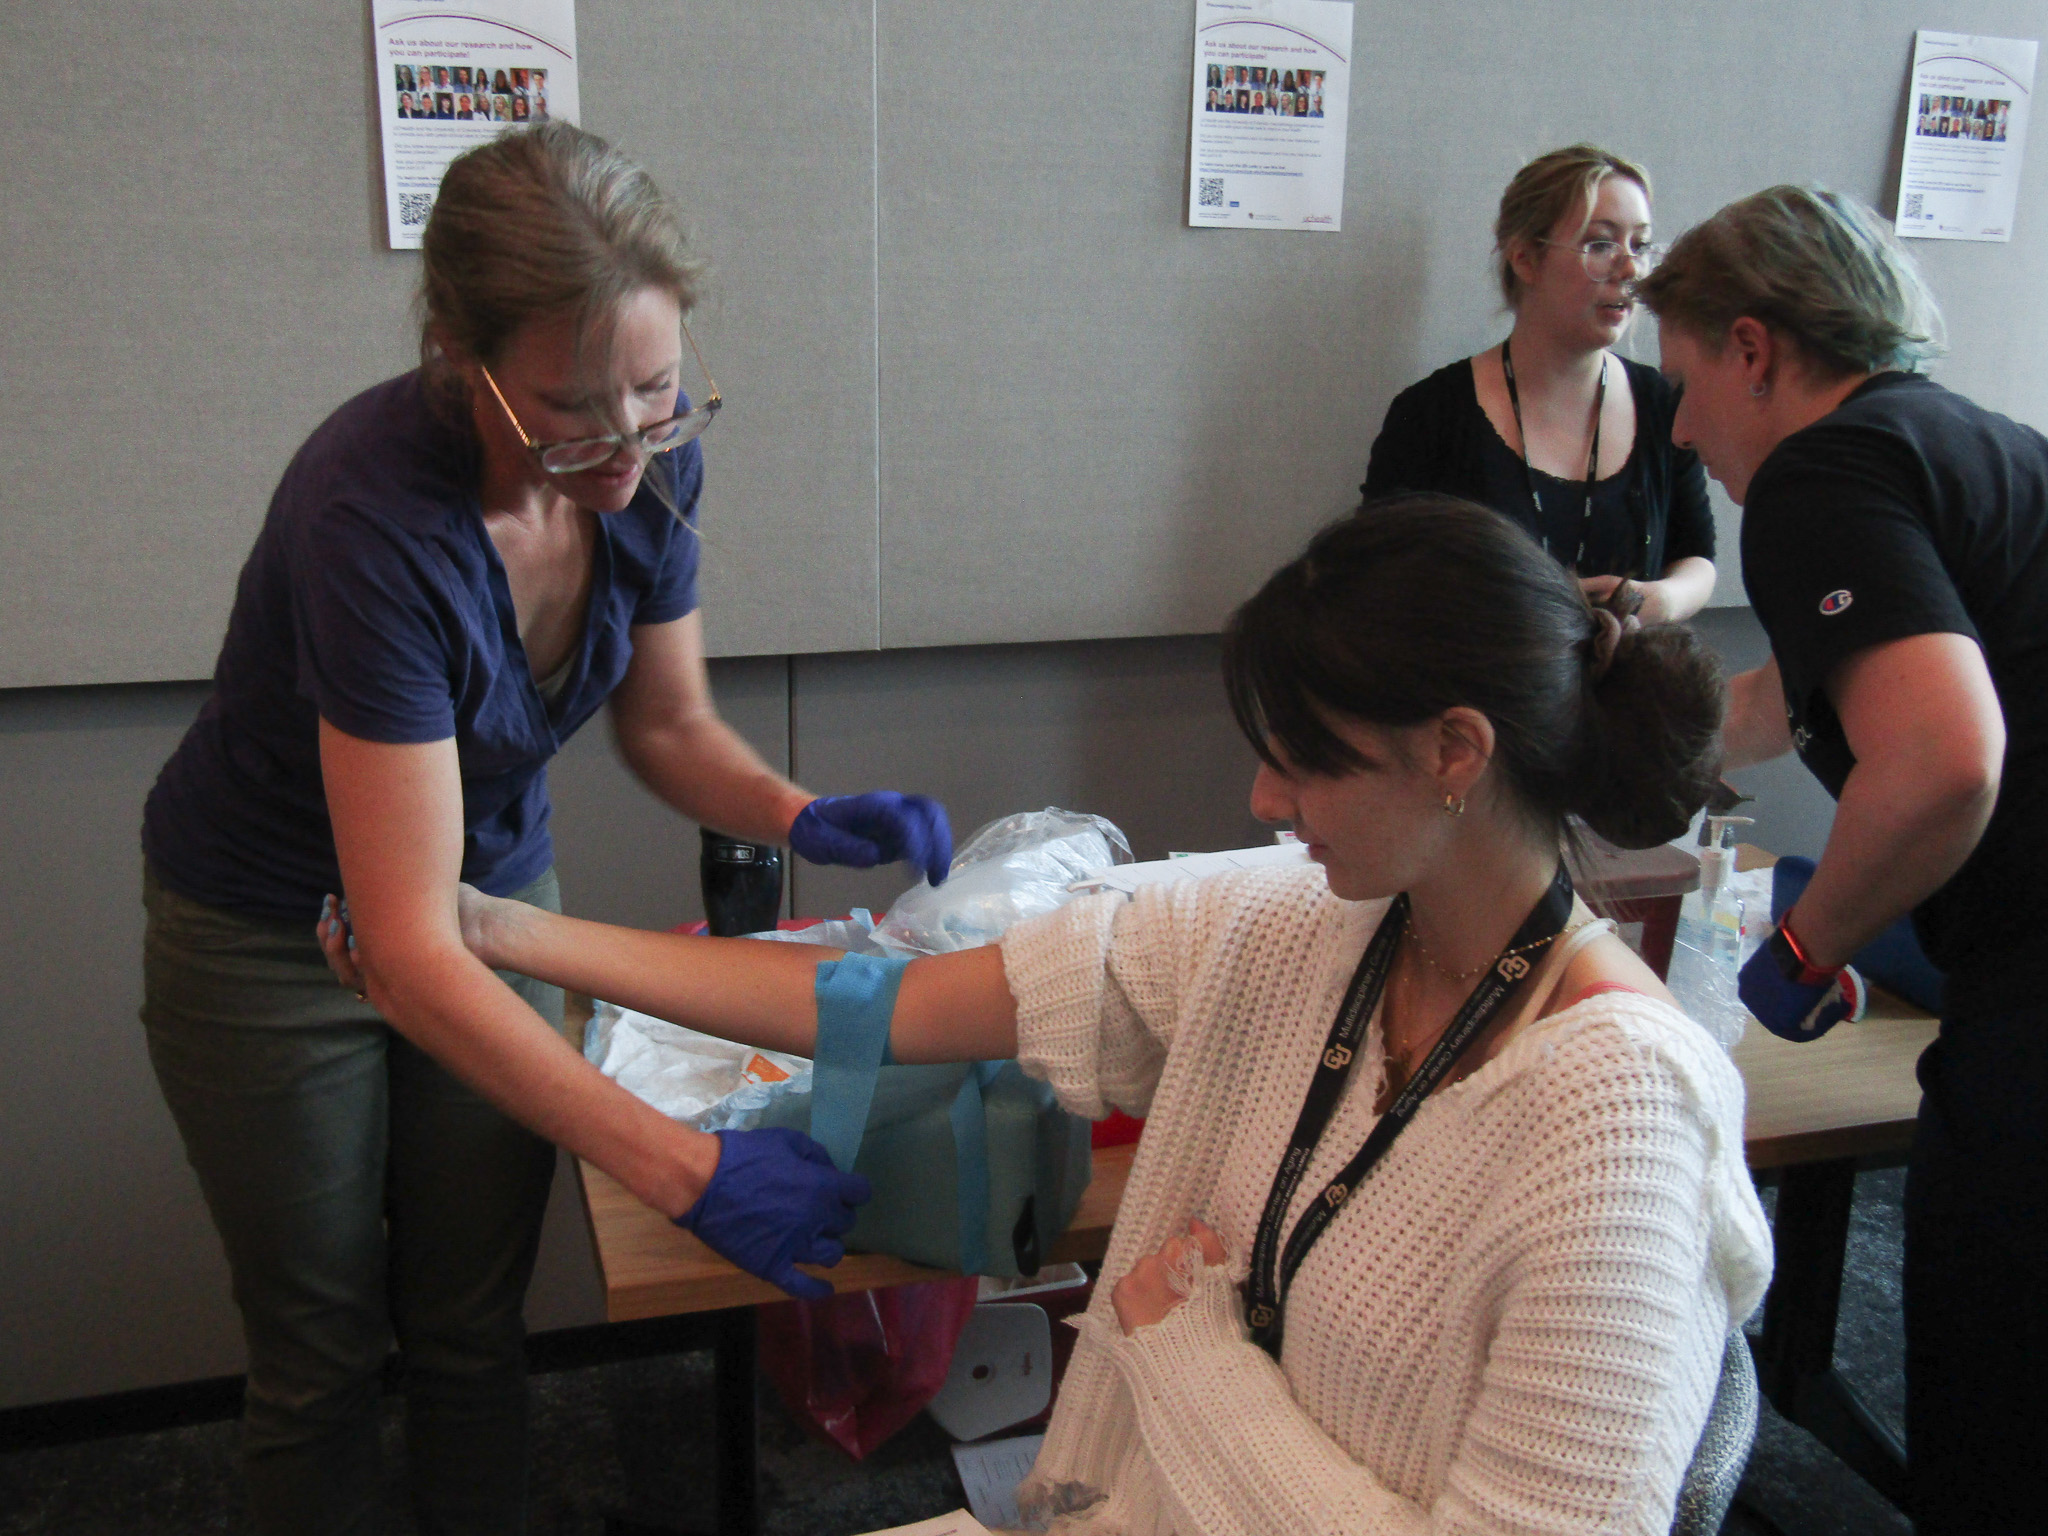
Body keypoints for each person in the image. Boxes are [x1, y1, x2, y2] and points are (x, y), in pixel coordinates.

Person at [333, 498, 1773, 1535]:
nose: (1265, 804)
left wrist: (1190, 1356)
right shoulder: (1284, 924)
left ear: (1457, 754)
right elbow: (874, 1004)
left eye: (1305, 766)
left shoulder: (1615, 1118)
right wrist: (489, 931)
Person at [140, 122, 950, 1536]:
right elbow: (402, 944)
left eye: (657, 391)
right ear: (459, 354)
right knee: (323, 1351)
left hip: (492, 895)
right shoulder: (372, 519)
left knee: (471, 1327)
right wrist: (686, 1169)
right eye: (575, 411)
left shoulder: (642, 462)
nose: (630, 450)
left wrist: (795, 810)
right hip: (268, 933)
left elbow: (667, 725)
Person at [1637, 184, 2048, 1536]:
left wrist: (1800, 953)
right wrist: (1652, 756)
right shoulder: (1974, 442)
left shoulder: (1824, 472)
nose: (1683, 427)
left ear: (1754, 348)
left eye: (1688, 381)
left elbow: (1941, 759)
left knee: (1992, 1432)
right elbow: (1785, 699)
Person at [1362, 145, 1716, 623]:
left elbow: (1696, 555)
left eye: (1640, 245)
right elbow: (1375, 580)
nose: (1630, 269)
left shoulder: (1663, 402)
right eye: (1601, 244)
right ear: (1526, 259)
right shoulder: (1432, 414)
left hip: (1633, 688)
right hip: (1481, 691)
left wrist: (1663, 601)